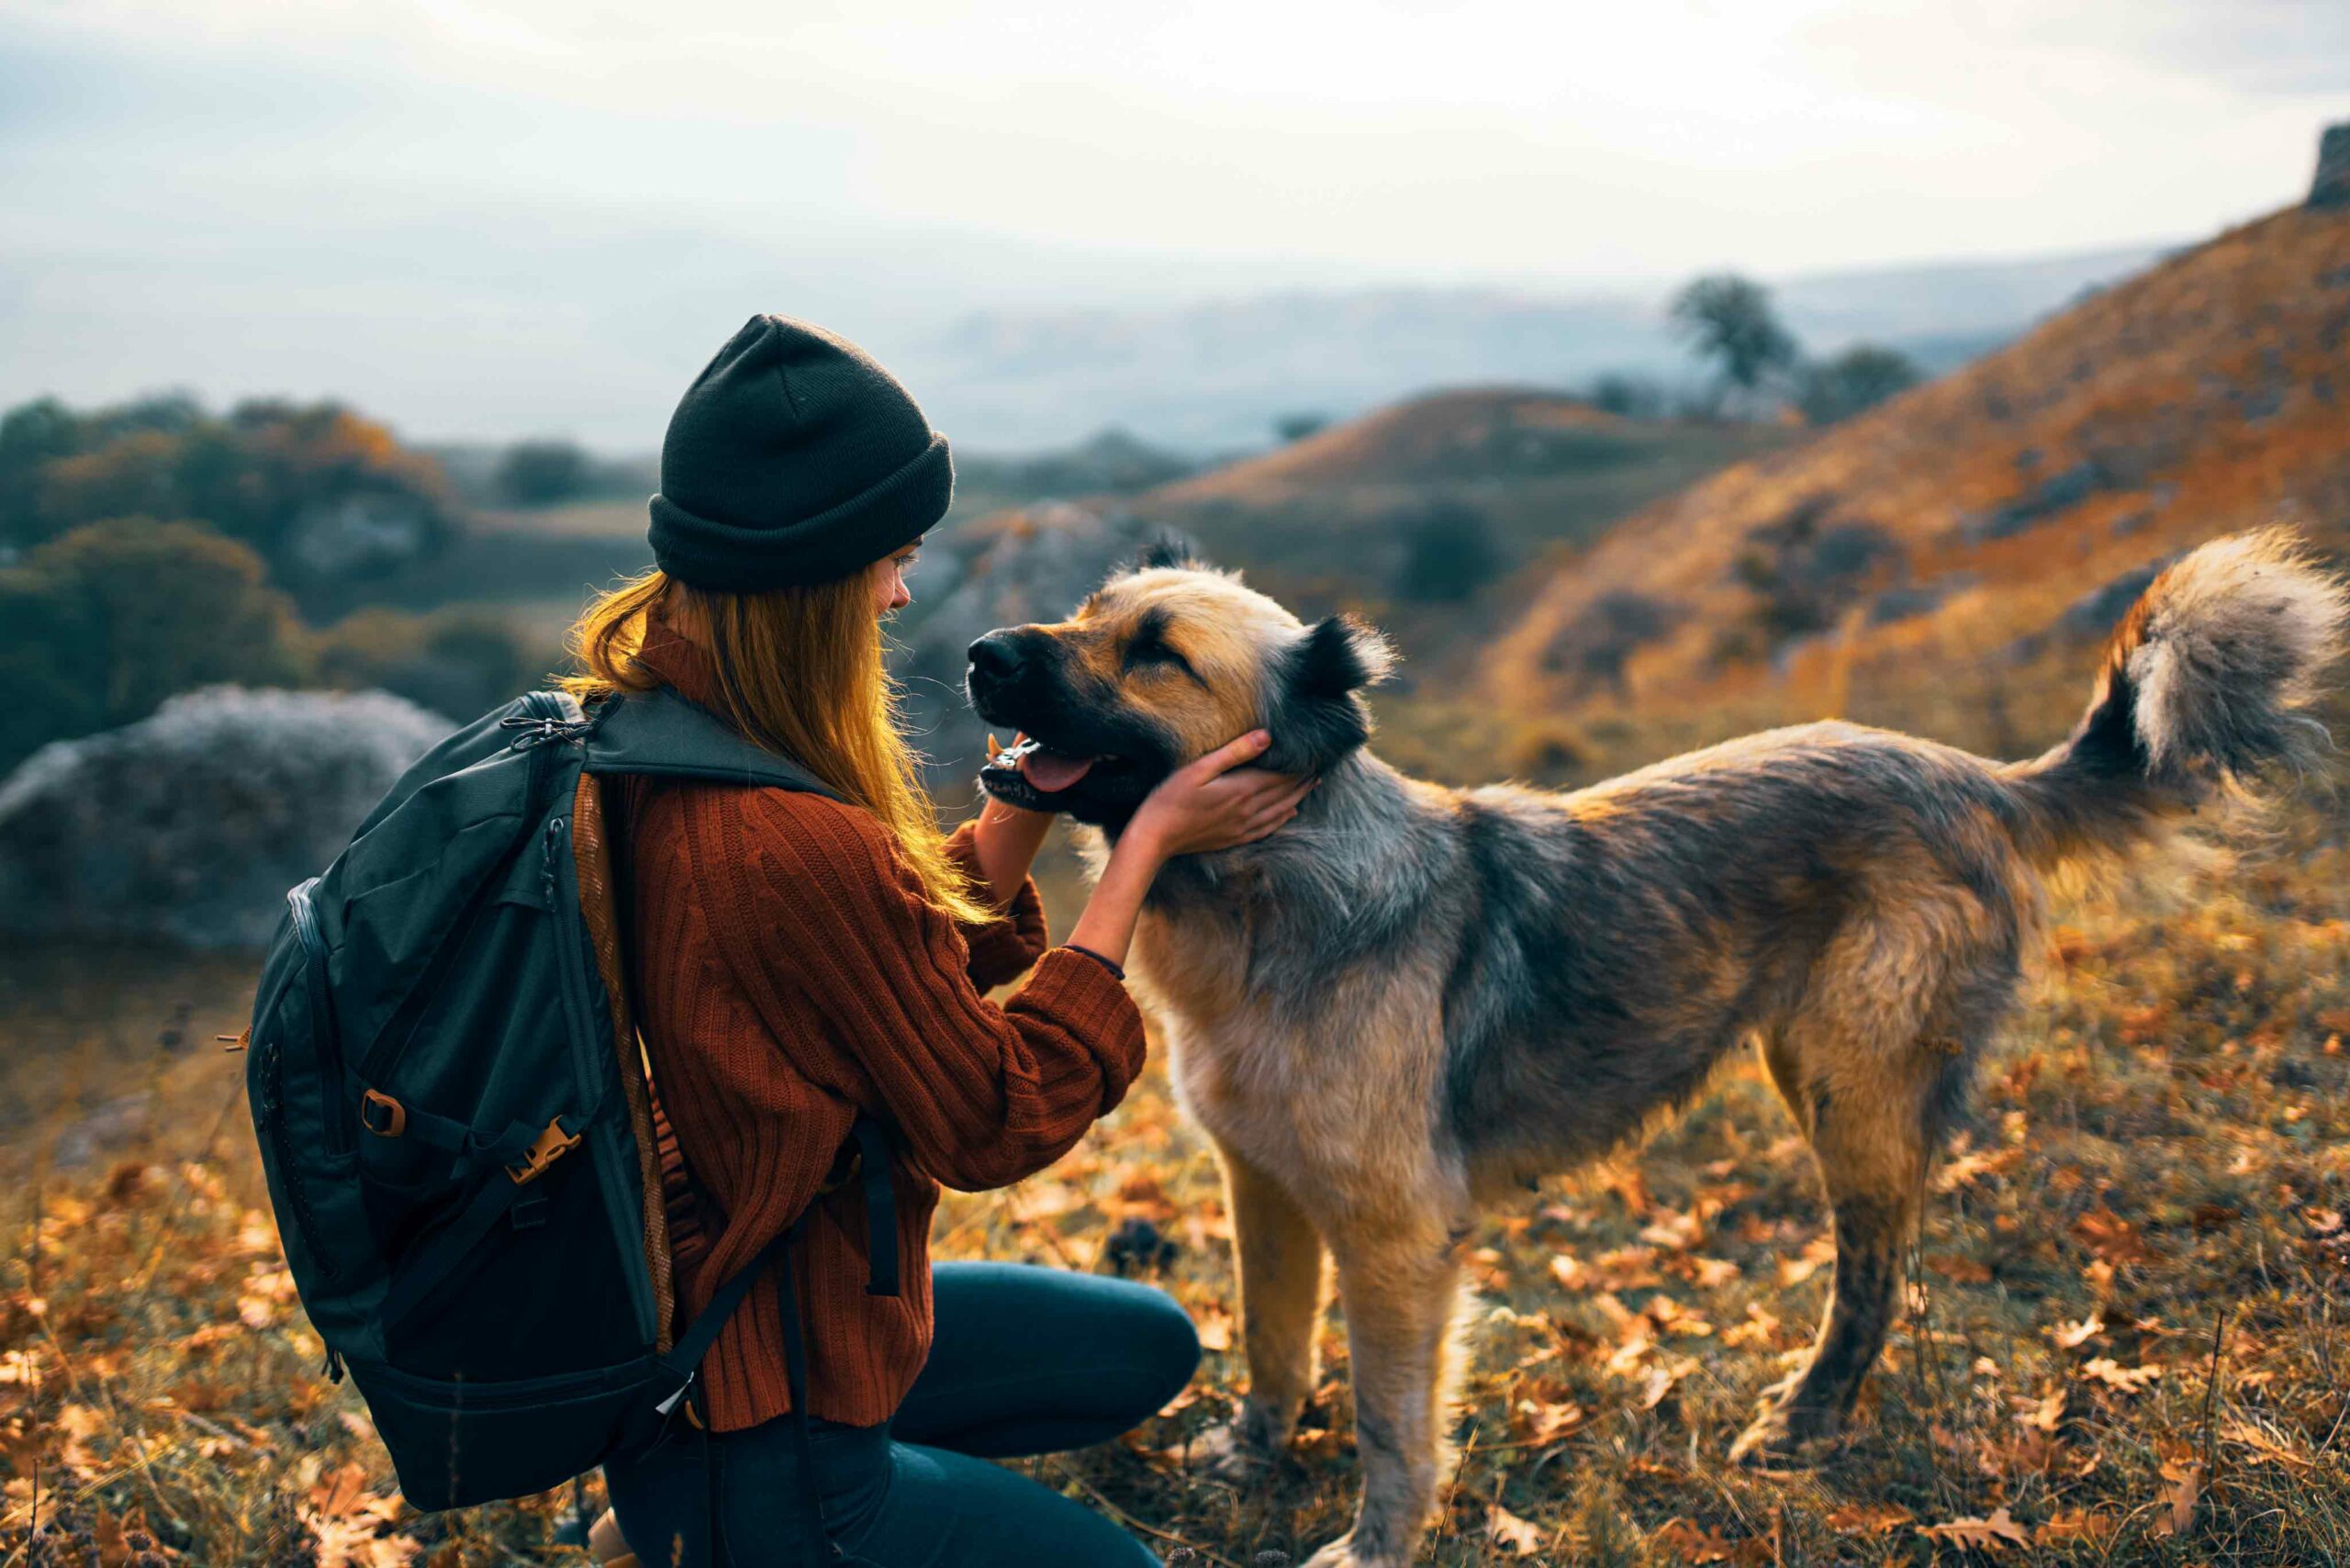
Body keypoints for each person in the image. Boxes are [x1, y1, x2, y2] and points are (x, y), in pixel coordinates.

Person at [570, 315, 1312, 1567]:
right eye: (891, 558)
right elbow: (991, 1118)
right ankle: (732, 1536)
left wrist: (1020, 800)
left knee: (1144, 1347)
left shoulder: (656, 731)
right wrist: (1141, 851)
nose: (904, 591)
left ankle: (687, 1516)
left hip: (756, 1313)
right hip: (769, 1420)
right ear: (809, 572)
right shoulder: (774, 833)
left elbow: (864, 969)